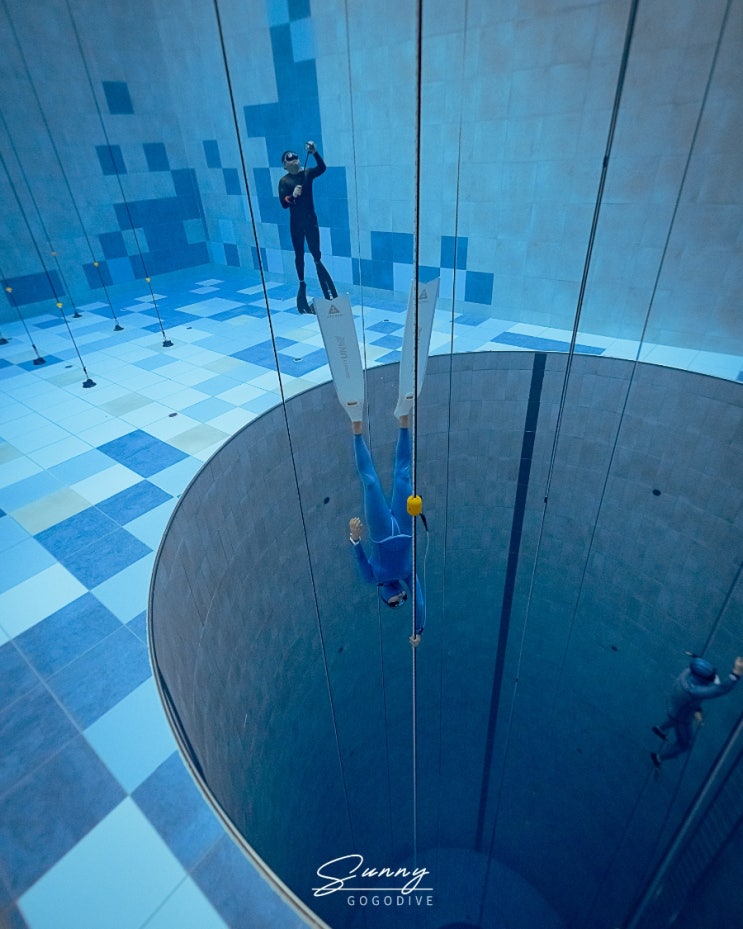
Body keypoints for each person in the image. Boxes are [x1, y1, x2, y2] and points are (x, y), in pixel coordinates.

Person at [348, 415, 425, 646]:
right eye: (402, 600)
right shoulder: (407, 574)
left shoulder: (372, 577)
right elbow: (419, 602)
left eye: (394, 603)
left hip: (380, 531)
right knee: (403, 474)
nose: (400, 599)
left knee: (370, 482)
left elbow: (360, 557)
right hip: (405, 526)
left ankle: (357, 430)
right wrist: (418, 629)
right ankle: (404, 422)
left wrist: (354, 539)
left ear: (384, 599)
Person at [651, 655, 743, 767]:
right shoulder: (693, 690)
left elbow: (688, 698)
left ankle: (659, 729)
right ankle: (658, 758)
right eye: (710, 677)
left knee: (673, 719)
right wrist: (735, 673)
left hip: (674, 706)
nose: (713, 677)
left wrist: (696, 709)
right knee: (685, 744)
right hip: (681, 717)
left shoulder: (687, 672)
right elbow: (720, 689)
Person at [278, 141, 337, 313]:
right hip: (296, 224)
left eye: (296, 157)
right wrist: (292, 196)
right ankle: (302, 289)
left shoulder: (307, 174)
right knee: (299, 255)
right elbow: (283, 203)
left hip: (311, 221)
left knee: (316, 255)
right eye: (290, 159)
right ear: (285, 165)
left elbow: (322, 168)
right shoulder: (284, 181)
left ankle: (329, 295)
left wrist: (315, 152)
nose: (295, 160)